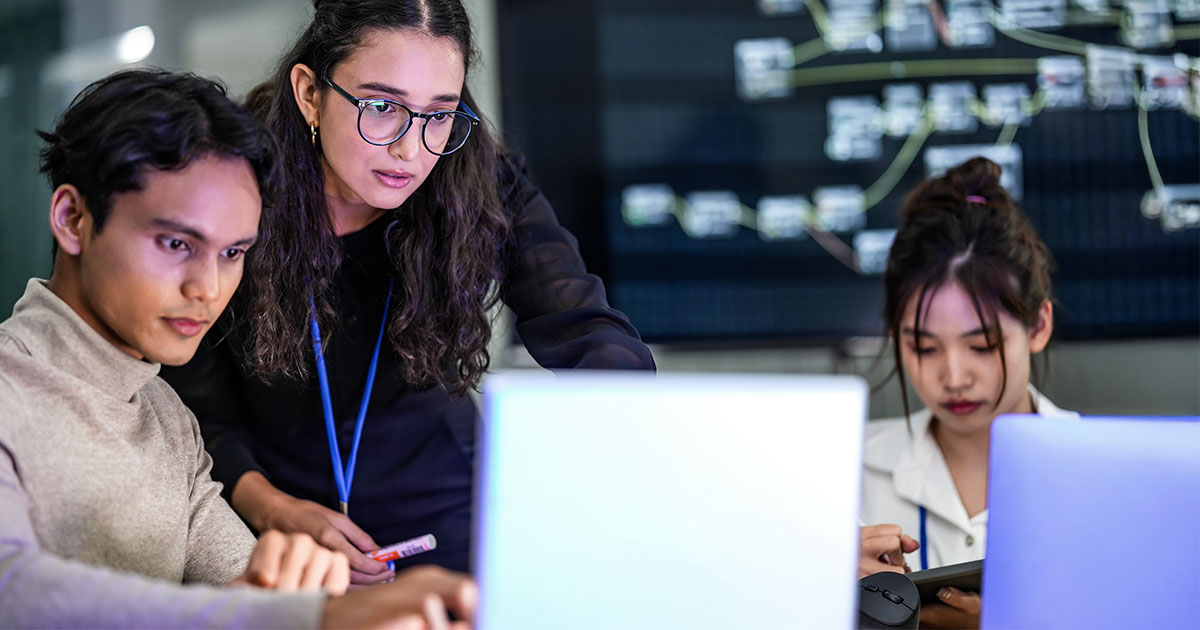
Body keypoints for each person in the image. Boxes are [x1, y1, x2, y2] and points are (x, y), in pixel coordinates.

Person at [161, 0, 655, 585]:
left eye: (439, 114)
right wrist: (272, 509)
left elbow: (583, 325)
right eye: (381, 106)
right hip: (271, 518)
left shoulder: (475, 180)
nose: (410, 149)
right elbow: (193, 399)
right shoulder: (237, 185)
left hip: (442, 507)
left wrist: (619, 432)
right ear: (310, 93)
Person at [0, 68, 475, 629]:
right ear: (72, 219)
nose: (207, 289)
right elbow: (14, 592)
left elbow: (245, 591)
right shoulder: (12, 390)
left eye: (232, 254)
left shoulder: (166, 417)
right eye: (177, 243)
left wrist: (311, 601)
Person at [856, 157, 1079, 628]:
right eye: (923, 347)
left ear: (1039, 325)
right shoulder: (841, 473)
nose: (954, 376)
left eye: (981, 345)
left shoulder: (1108, 474)